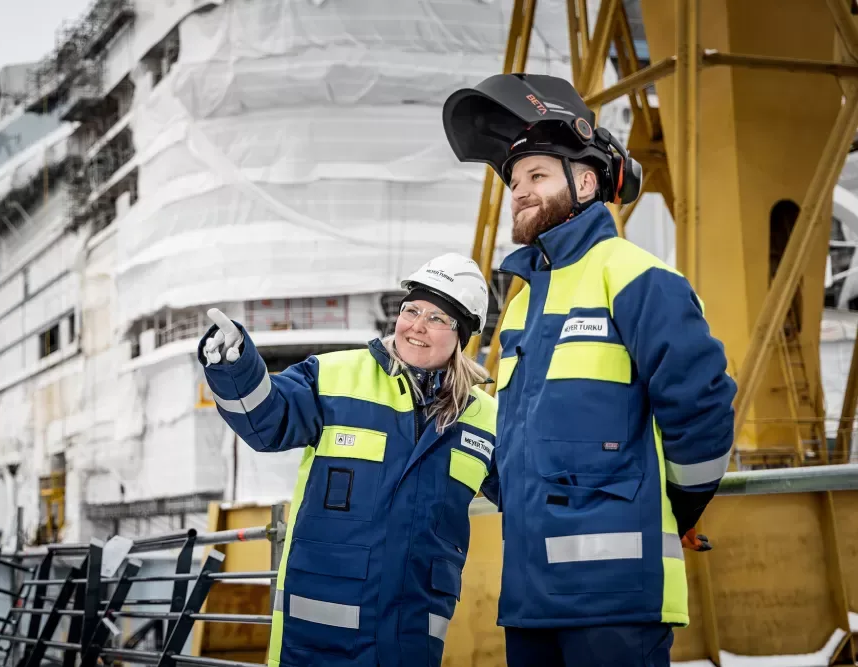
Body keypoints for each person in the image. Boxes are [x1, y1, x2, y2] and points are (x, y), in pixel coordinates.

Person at [441, 73, 737, 666]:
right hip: (530, 601)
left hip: (617, 602)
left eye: (537, 176)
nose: (519, 191)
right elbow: (515, 447)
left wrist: (677, 508)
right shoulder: (523, 304)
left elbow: (702, 406)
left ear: (584, 181)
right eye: (515, 180)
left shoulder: (634, 276)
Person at [197, 253, 499, 667]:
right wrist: (236, 366)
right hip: (316, 638)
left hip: (409, 640)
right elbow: (267, 420)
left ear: (462, 334)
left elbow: (530, 492)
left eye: (437, 319)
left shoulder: (485, 418)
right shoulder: (334, 377)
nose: (417, 326)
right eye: (411, 310)